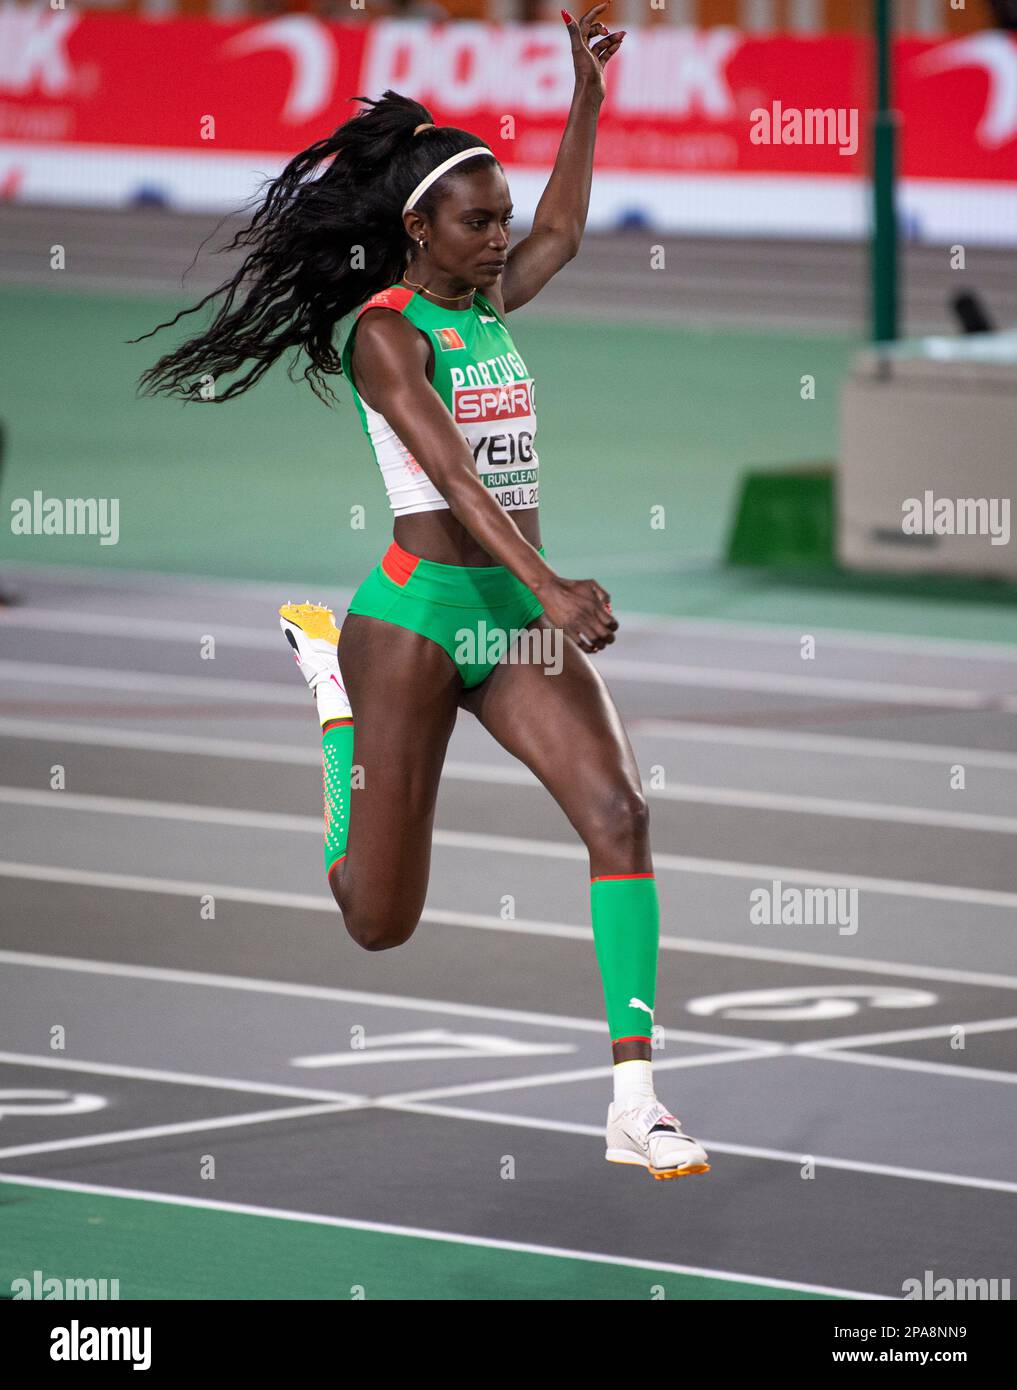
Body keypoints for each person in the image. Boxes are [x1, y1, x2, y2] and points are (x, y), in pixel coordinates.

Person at [135, 5, 709, 1181]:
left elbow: (563, 222)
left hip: (514, 628)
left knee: (621, 815)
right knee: (378, 920)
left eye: (500, 221)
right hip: (413, 626)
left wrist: (586, 89)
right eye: (478, 222)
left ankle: (636, 1099)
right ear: (419, 228)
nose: (502, 239)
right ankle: (333, 708)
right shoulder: (385, 337)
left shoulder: (488, 301)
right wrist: (547, 584)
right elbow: (449, 471)